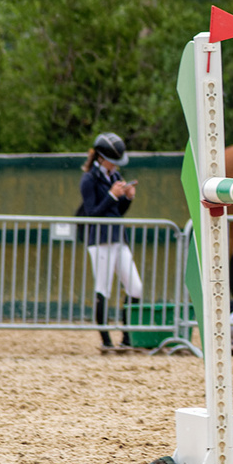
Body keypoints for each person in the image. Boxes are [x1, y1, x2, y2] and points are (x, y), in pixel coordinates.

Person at [78, 132, 142, 351]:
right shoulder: (88, 179)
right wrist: (112, 196)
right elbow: (92, 212)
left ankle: (128, 336)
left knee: (135, 287)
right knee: (103, 287)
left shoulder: (115, 178)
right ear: (101, 158)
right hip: (100, 239)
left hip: (118, 237)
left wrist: (127, 198)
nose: (115, 166)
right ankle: (105, 339)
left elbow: (117, 212)